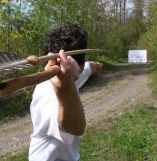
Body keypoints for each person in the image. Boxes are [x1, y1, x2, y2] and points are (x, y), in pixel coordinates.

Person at [29, 24, 102, 161]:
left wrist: (96, 66)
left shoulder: (73, 75)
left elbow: (87, 67)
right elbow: (75, 127)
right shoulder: (46, 93)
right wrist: (64, 87)